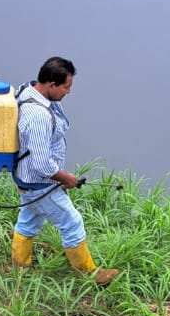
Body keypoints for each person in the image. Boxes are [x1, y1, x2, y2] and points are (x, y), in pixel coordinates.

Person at [11, 57, 119, 286]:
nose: (68, 92)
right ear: (51, 84)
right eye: (66, 87)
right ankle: (90, 275)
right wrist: (65, 178)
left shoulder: (28, 90)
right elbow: (42, 164)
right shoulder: (39, 116)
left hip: (25, 178)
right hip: (39, 183)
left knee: (29, 219)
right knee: (72, 222)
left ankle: (19, 265)